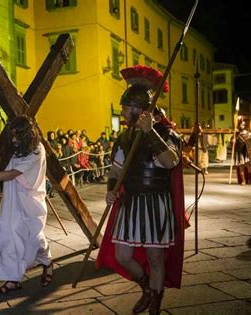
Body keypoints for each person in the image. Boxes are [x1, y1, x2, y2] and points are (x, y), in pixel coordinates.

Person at [95, 65, 185, 315]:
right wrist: (111, 189)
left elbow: (170, 162)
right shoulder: (123, 138)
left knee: (156, 259)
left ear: (139, 109)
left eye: (126, 108)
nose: (123, 112)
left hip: (156, 203)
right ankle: (146, 288)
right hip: (131, 202)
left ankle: (156, 302)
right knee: (123, 256)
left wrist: (150, 133)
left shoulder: (167, 133)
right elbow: (116, 172)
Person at [0, 115, 53, 294]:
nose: (14, 139)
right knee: (6, 236)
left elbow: (12, 173)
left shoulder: (37, 151)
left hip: (29, 200)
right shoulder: (15, 146)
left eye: (18, 136)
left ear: (28, 135)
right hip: (11, 200)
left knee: (33, 238)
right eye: (13, 135)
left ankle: (47, 262)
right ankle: (12, 279)